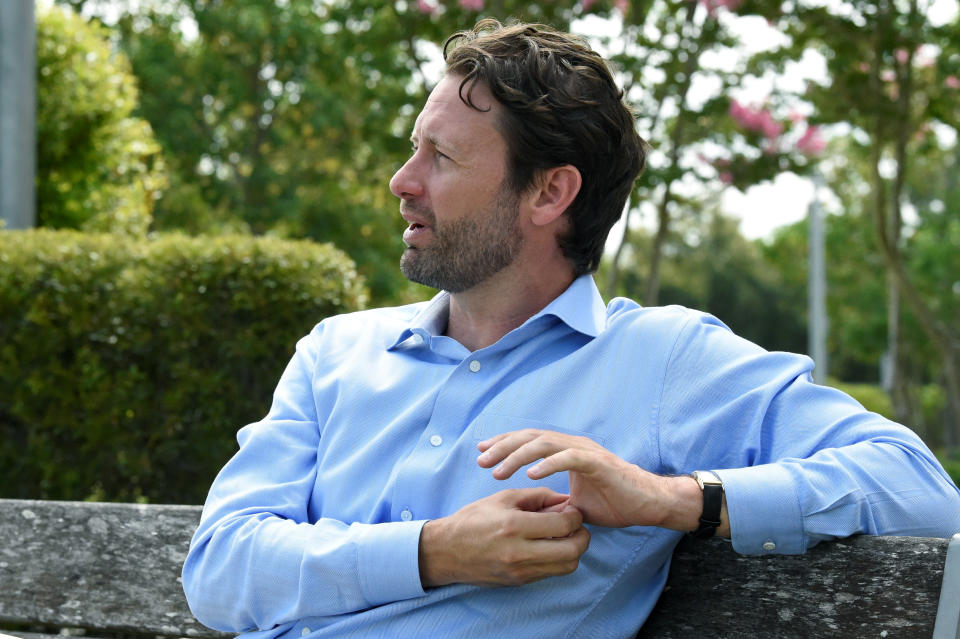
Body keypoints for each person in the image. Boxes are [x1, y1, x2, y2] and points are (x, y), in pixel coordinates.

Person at [182, 19, 960, 639]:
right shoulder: (334, 353)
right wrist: (435, 551)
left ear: (549, 191)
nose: (402, 180)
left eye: (441, 156)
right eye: (412, 147)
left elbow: (921, 489)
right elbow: (219, 570)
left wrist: (672, 497)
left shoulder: (666, 360)